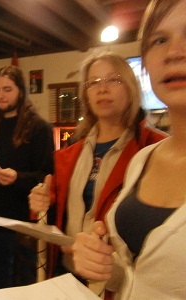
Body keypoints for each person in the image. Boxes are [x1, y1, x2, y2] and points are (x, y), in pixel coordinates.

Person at [70, 0, 186, 299]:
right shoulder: (144, 160)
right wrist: (102, 263)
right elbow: (134, 276)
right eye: (159, 40)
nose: (174, 52)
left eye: (113, 80)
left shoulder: (141, 144)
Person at [28, 51, 167, 296]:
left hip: (119, 285)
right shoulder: (68, 155)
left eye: (114, 79)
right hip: (66, 273)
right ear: (86, 95)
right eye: (94, 83)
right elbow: (54, 214)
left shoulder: (155, 149)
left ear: (131, 88)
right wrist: (40, 202)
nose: (102, 89)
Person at [0, 65, 54, 289]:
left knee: (22, 284)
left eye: (7, 89)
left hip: (23, 220)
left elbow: (47, 176)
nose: (1, 96)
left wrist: (17, 178)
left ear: (21, 91)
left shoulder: (39, 127)